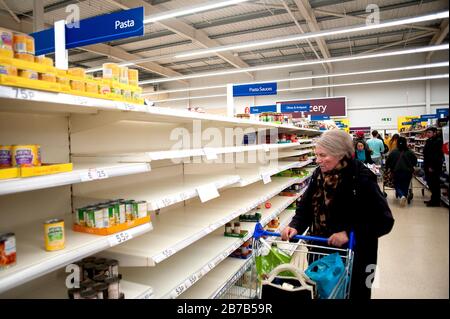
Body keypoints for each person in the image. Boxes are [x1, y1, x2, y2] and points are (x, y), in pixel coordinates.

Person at [281, 130, 394, 300]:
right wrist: (295, 226)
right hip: (321, 252)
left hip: (355, 256)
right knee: (323, 293)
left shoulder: (361, 178)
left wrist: (348, 233)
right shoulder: (318, 174)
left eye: (322, 155)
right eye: (316, 154)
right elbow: (305, 208)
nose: (317, 160)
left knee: (354, 293)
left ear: (340, 154)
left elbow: (384, 221)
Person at [385, 137, 417, 207]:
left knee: (397, 185)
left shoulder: (393, 152)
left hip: (396, 171)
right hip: (408, 172)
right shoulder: (410, 152)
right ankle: (404, 196)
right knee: (405, 185)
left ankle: (401, 196)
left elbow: (388, 161)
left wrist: (387, 168)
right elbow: (415, 161)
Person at [423, 127, 444, 207]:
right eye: (427, 132)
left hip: (433, 167)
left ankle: (436, 202)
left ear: (435, 133)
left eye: (429, 132)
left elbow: (436, 156)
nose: (428, 134)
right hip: (428, 165)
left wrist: (432, 166)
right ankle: (433, 199)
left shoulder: (438, 142)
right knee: (430, 183)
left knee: (434, 184)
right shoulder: (429, 141)